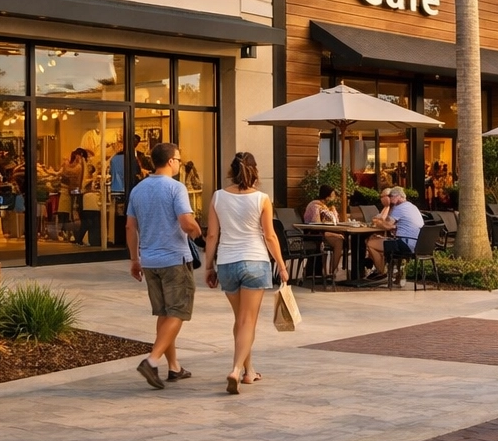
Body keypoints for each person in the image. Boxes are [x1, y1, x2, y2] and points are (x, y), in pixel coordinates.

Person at [204, 152, 286, 394]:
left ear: (231, 171)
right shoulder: (262, 198)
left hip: (227, 263)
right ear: (255, 170)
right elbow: (270, 236)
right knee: (248, 321)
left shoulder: (218, 197)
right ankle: (236, 369)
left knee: (240, 320)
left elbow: (211, 235)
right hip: (255, 261)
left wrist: (209, 266)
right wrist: (281, 264)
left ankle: (249, 372)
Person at [125, 142, 202, 390]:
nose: (179, 163)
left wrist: (134, 259)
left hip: (149, 261)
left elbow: (129, 227)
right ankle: (152, 360)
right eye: (178, 159)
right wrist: (198, 231)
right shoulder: (175, 188)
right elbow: (186, 222)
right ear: (170, 161)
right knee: (178, 312)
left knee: (164, 313)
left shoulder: (138, 190)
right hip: (174, 260)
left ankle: (174, 367)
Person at [365, 186, 423, 283]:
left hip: (404, 243)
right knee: (379, 240)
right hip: (417, 244)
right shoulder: (413, 207)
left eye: (391, 196)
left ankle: (382, 272)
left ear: (398, 196)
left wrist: (378, 222)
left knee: (371, 243)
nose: (390, 199)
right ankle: (394, 273)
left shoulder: (399, 208)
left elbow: (387, 225)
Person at [303, 184, 344, 277]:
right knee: (339, 240)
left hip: (322, 231)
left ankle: (332, 270)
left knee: (340, 239)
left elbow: (335, 221)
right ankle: (331, 271)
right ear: (327, 196)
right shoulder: (315, 205)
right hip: (313, 233)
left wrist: (333, 211)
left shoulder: (326, 206)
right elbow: (316, 223)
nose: (334, 198)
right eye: (333, 196)